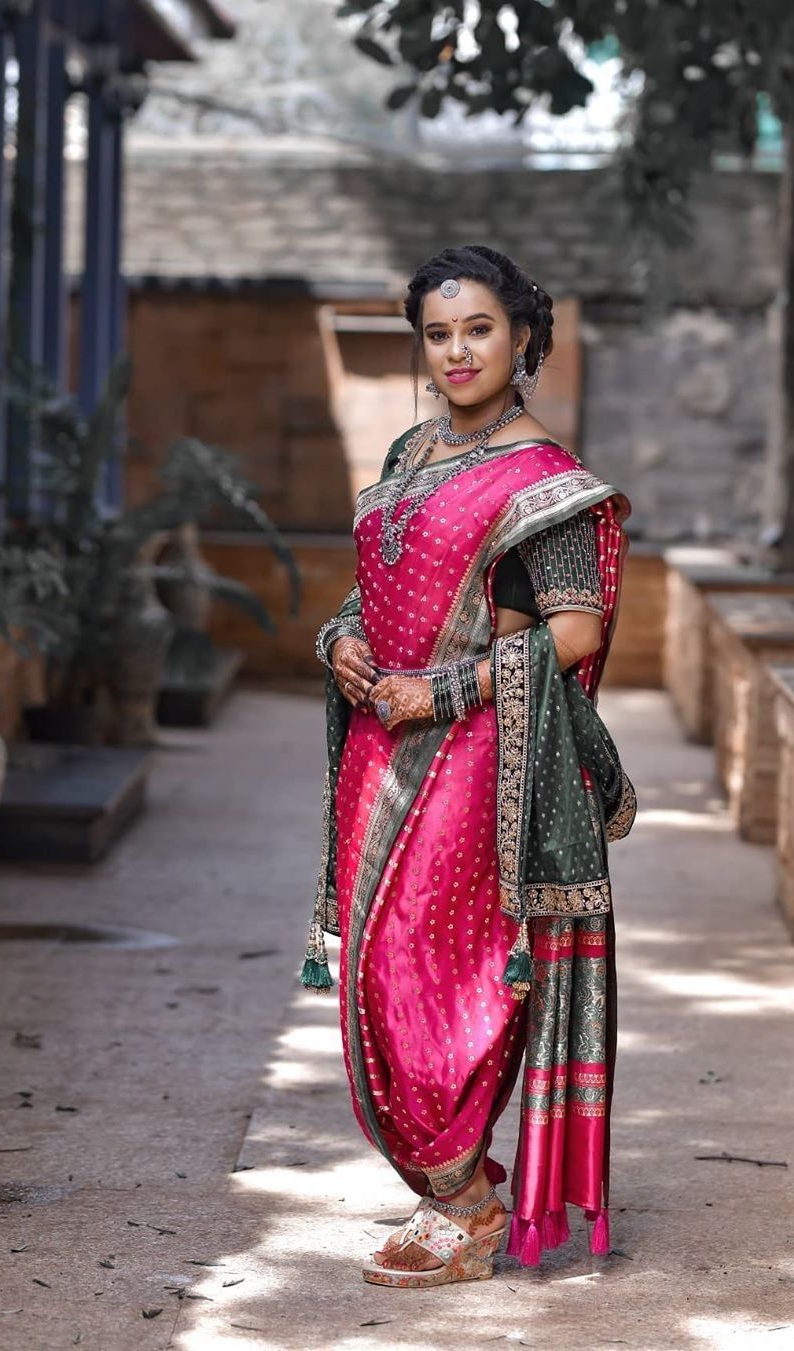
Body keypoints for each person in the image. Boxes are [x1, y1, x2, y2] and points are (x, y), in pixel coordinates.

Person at [301, 245, 636, 1288]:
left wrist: (437, 692)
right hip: (378, 746)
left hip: (476, 760)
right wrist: (342, 640)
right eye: (438, 334)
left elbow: (573, 632)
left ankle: (468, 1209)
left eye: (479, 329)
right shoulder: (408, 456)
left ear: (525, 336)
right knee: (370, 966)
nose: (456, 350)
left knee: (429, 970)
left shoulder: (549, 481)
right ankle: (447, 1192)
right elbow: (380, 587)